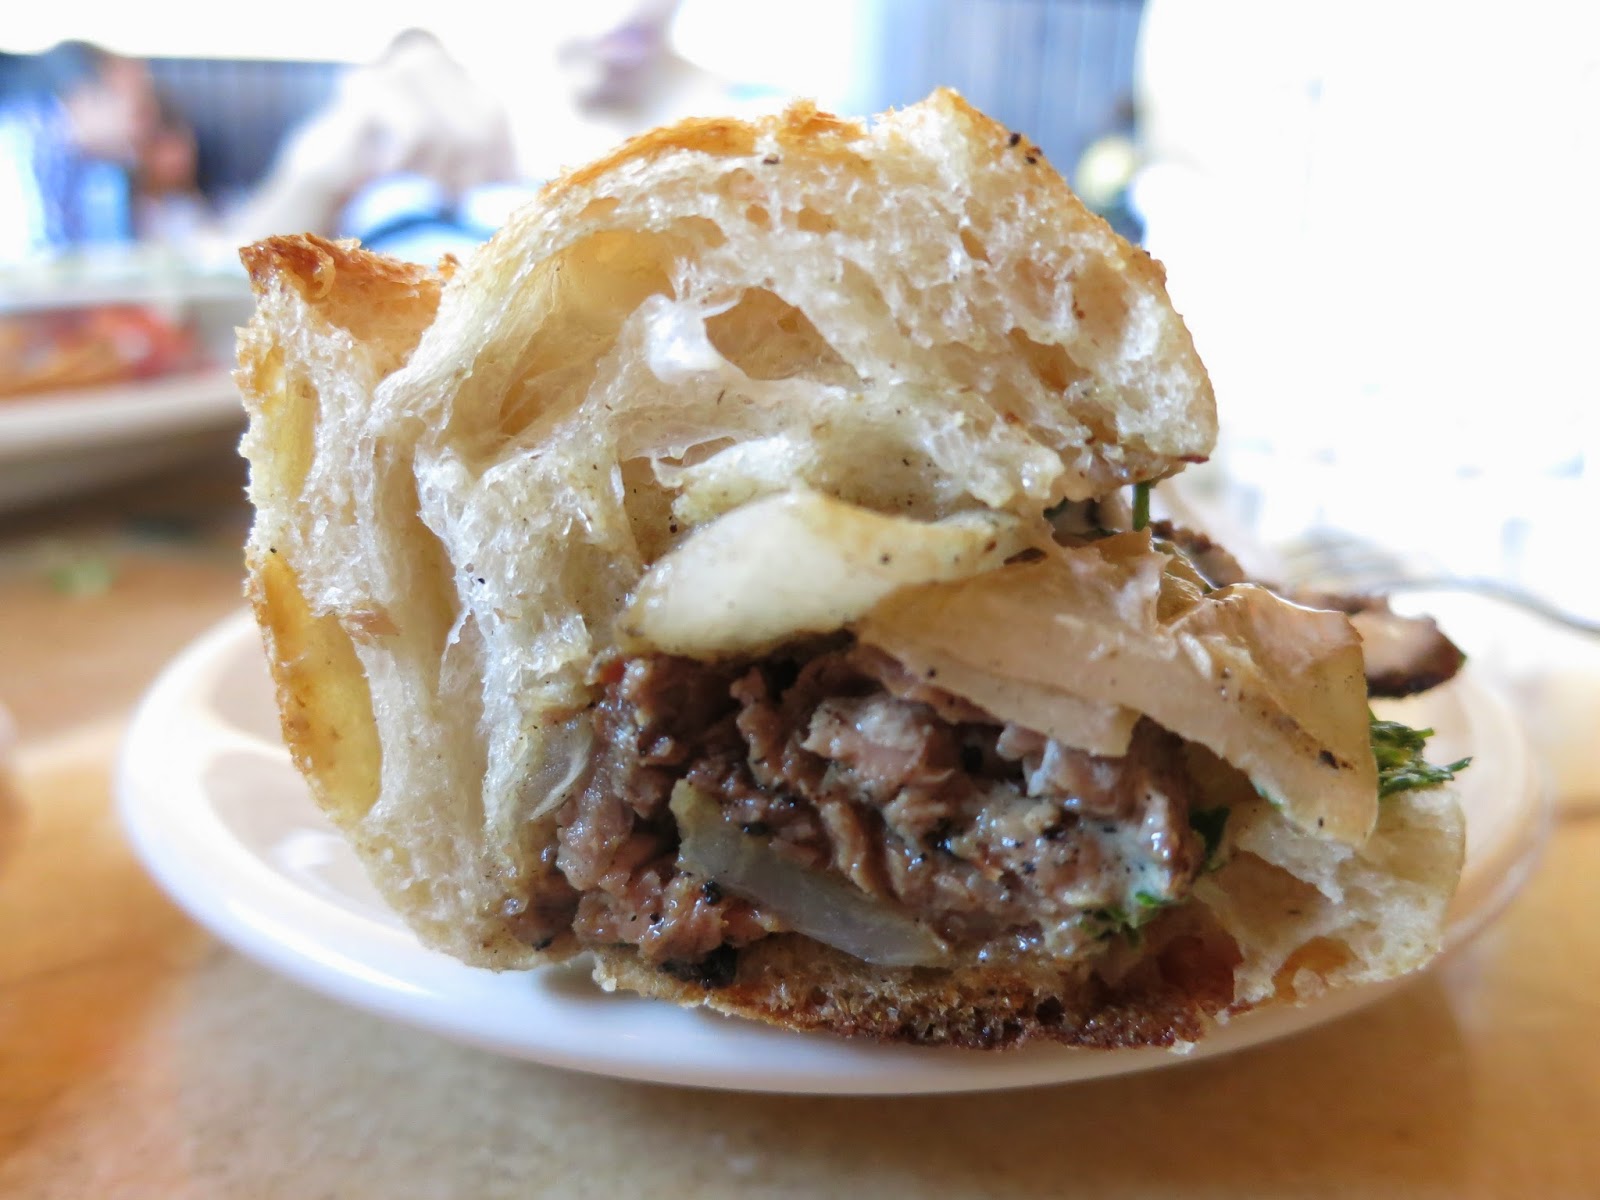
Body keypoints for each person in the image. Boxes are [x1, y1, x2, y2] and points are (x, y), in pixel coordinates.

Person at [0, 41, 160, 262]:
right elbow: (34, 261)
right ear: (88, 97)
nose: (141, 128)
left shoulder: (86, 164)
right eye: (135, 109)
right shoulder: (27, 142)